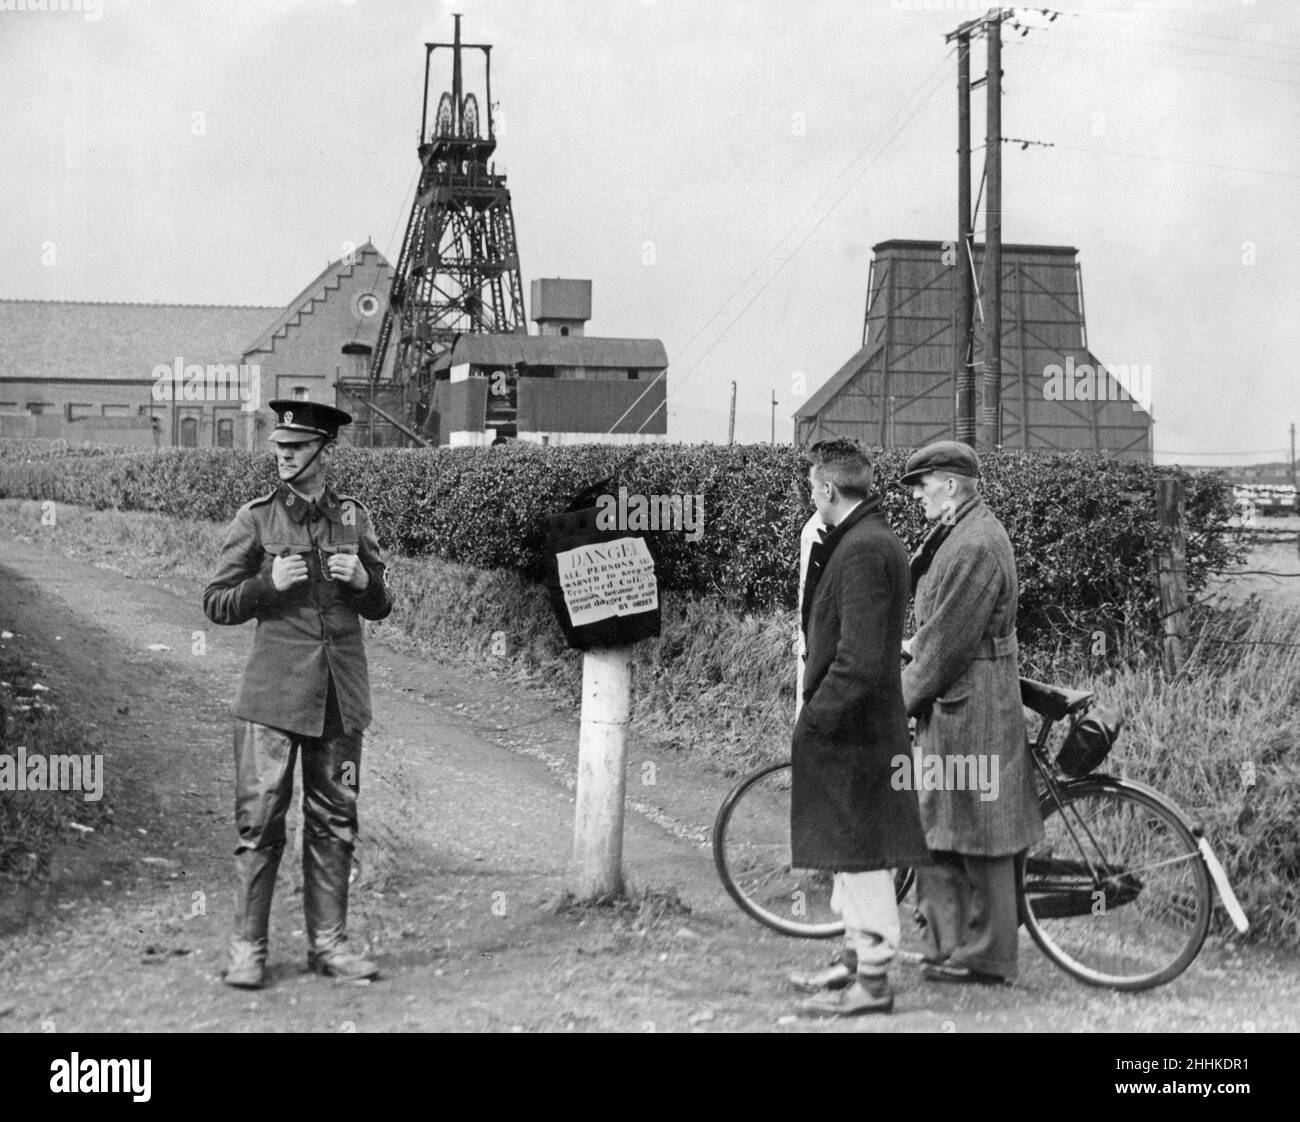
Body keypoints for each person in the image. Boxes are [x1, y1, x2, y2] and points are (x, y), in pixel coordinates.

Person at [203, 399, 393, 989]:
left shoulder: (354, 518)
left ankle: (329, 947)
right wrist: (265, 586)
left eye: (296, 446)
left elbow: (382, 602)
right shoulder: (256, 519)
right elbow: (215, 602)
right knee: (260, 822)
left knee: (336, 820)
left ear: (322, 449)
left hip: (339, 698)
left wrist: (365, 583)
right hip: (272, 700)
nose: (283, 455)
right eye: (279, 446)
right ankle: (248, 950)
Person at [789, 438, 931, 1017]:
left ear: (827, 489)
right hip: (856, 726)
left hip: (856, 731)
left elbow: (862, 659)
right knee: (849, 850)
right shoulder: (865, 539)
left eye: (812, 487)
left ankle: (873, 984)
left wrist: (815, 719)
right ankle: (853, 962)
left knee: (866, 856)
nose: (810, 495)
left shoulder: (865, 549)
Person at [899, 440, 1043, 985]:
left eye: (923, 484)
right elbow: (939, 635)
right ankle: (949, 946)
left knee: (982, 833)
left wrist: (896, 701)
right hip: (963, 700)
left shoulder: (974, 544)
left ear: (952, 485)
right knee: (944, 827)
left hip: (973, 703)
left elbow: (946, 648)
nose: (917, 496)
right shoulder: (962, 532)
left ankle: (985, 956)